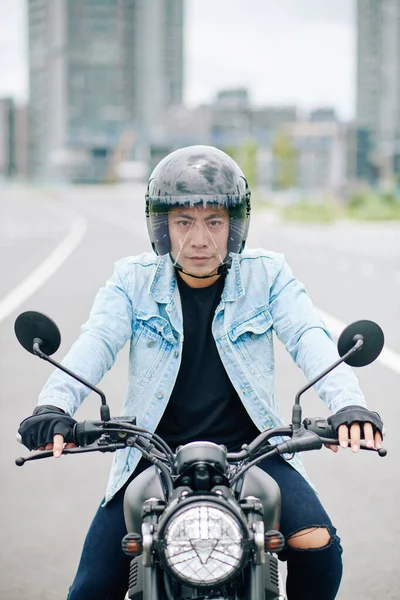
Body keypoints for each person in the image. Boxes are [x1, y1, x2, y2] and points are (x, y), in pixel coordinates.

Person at [18, 145, 383, 600]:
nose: (199, 239)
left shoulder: (268, 276)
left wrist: (349, 406)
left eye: (214, 222)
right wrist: (53, 406)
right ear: (161, 227)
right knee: (91, 587)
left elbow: (309, 336)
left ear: (234, 226)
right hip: (152, 456)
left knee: (319, 545)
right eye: (183, 222)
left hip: (253, 454)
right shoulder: (131, 281)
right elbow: (95, 343)